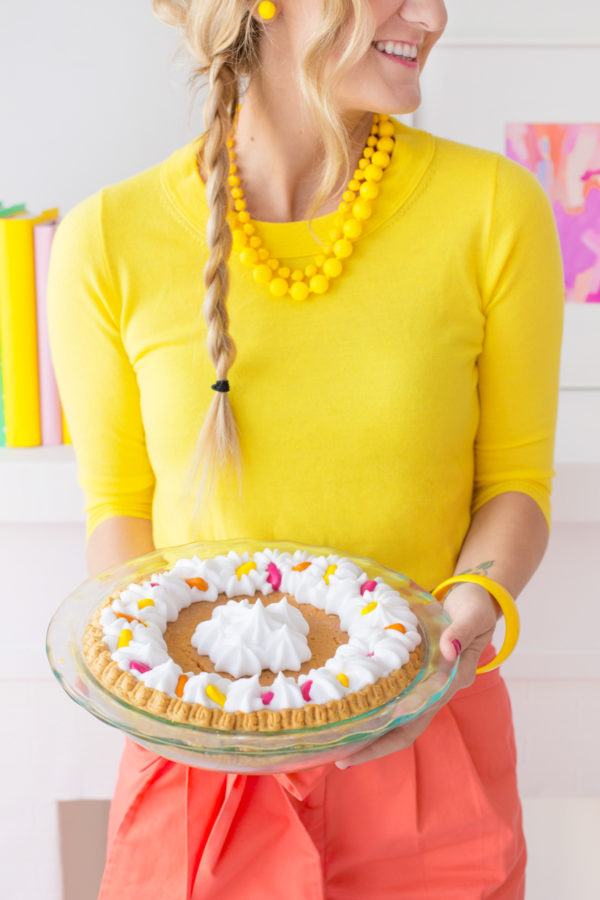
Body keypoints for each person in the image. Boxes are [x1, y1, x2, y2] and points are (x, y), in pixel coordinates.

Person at [47, 1, 564, 897]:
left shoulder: (494, 208)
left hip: (427, 750)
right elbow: (118, 513)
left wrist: (473, 606)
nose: (434, 14)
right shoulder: (105, 241)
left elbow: (515, 480)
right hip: (200, 772)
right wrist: (169, 693)